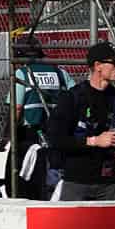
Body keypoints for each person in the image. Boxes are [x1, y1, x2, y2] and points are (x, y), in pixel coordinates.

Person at [44, 43, 115, 201]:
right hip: (77, 182)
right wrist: (94, 141)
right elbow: (55, 138)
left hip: (109, 182)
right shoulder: (73, 97)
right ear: (98, 66)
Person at [9, 33, 74, 199]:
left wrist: (6, 136)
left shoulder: (22, 73)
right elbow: (75, 99)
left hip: (29, 137)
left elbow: (16, 109)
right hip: (57, 135)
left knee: (22, 182)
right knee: (54, 180)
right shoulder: (61, 73)